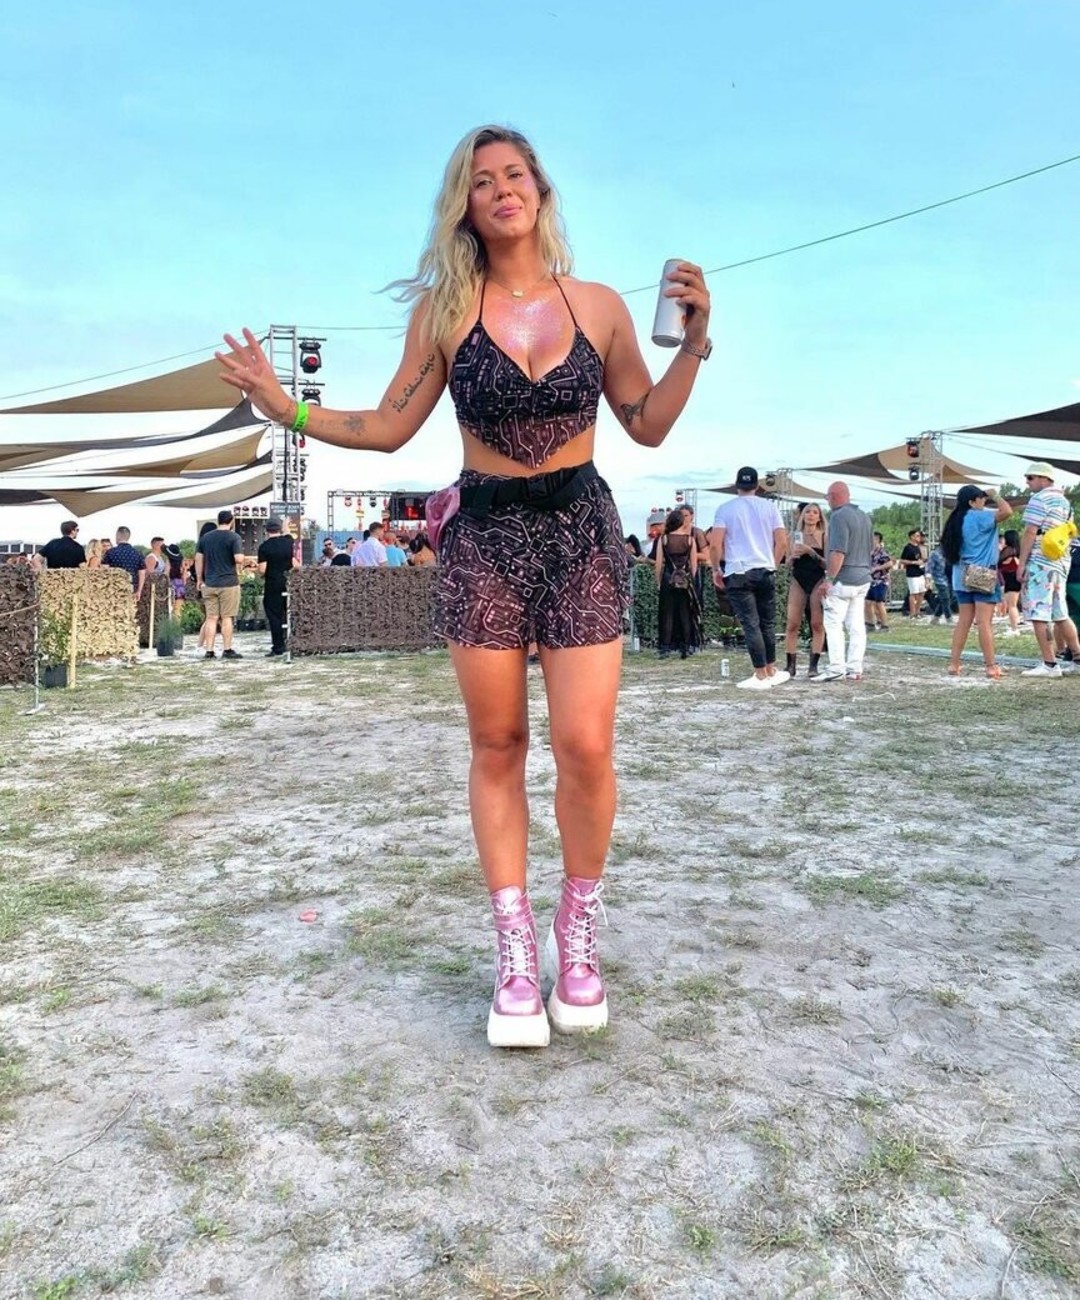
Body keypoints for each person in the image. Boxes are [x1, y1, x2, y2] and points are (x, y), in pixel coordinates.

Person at [216, 123, 710, 1048]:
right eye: (482, 181)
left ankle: (577, 929)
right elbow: (388, 427)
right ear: (466, 206)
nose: (502, 188)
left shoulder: (599, 305)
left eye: (515, 174)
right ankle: (515, 950)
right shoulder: (447, 312)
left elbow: (645, 423)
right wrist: (289, 409)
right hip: (484, 537)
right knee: (498, 743)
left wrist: (694, 347)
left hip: (580, 534)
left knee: (585, 746)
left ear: (541, 191)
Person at [710, 467, 788, 691]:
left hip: (738, 570)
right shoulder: (770, 507)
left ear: (737, 485)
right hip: (764, 568)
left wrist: (716, 569)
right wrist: (773, 563)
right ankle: (771, 669)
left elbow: (715, 544)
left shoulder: (725, 509)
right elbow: (782, 542)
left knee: (750, 623)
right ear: (757, 486)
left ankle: (760, 673)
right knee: (767, 622)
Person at [941, 485, 1012, 678]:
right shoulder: (980, 516)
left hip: (960, 575)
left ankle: (954, 664)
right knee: (984, 622)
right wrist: (995, 495)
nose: (984, 502)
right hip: (982, 575)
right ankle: (991, 666)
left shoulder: (955, 520)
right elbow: (1007, 511)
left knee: (963, 621)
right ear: (972, 502)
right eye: (981, 499)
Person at [1017, 461, 1080, 677]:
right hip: (1060, 561)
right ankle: (1078, 659)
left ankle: (1050, 663)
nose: (1027, 482)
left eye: (1031, 478)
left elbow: (1030, 532)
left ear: (1044, 479)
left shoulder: (1039, 499)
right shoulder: (1065, 503)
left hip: (1040, 560)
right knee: (1060, 613)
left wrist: (1022, 563)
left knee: (1038, 613)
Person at [811, 481, 872, 682]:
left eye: (827, 497)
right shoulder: (864, 516)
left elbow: (838, 552)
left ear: (833, 496)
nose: (827, 501)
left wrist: (828, 579)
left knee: (833, 623)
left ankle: (836, 667)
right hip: (863, 577)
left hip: (843, 579)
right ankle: (855, 668)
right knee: (856, 626)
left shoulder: (838, 517)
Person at [194, 510, 250, 660]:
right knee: (227, 617)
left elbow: (198, 558)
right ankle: (227, 649)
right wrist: (244, 557)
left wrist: (199, 579)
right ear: (231, 521)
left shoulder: (206, 538)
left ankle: (209, 651)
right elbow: (238, 559)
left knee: (211, 618)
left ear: (218, 520)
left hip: (210, 583)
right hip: (229, 583)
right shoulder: (234, 537)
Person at [783, 501, 827, 679]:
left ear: (819, 517)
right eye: (808, 512)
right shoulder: (793, 536)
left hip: (817, 579)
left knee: (817, 623)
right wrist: (792, 557)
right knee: (792, 623)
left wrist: (810, 552)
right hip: (798, 579)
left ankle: (813, 665)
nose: (811, 515)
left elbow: (827, 564)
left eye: (815, 512)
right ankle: (790, 665)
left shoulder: (824, 536)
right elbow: (787, 563)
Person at [654, 508, 698, 660]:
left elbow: (659, 563)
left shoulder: (664, 539)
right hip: (684, 580)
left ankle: (665, 648)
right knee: (685, 613)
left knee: (667, 613)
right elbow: (694, 565)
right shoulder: (690, 540)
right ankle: (686, 647)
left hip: (668, 578)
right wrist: (691, 581)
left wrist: (658, 580)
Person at [257, 517, 299, 657]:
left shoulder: (264, 547)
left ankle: (278, 646)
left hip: (273, 584)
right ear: (279, 529)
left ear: (266, 530)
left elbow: (262, 569)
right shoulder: (288, 543)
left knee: (274, 616)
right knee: (288, 613)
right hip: (288, 582)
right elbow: (288, 534)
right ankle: (293, 642)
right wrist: (286, 523)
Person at [102, 527, 146, 598]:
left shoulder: (110, 552)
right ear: (128, 536)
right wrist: (139, 591)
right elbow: (142, 573)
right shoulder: (138, 553)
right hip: (131, 589)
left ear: (118, 536)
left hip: (113, 591)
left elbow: (104, 571)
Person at [997, 528, 1023, 634]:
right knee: (1013, 604)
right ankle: (1015, 625)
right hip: (1015, 579)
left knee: (1012, 605)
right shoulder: (1018, 551)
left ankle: (1014, 628)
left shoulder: (1008, 551)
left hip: (1010, 580)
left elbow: (998, 562)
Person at [866, 532, 892, 631]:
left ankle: (885, 625)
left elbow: (889, 563)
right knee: (868, 602)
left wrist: (877, 568)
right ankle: (870, 623)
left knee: (879, 602)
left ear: (878, 540)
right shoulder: (868, 552)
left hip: (881, 580)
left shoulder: (882, 552)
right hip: (870, 580)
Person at [900, 528, 928, 619]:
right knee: (913, 593)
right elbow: (902, 560)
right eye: (917, 536)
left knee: (922, 592)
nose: (919, 537)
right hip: (912, 573)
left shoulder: (918, 547)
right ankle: (912, 613)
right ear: (912, 537)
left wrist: (922, 561)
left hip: (920, 572)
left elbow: (921, 558)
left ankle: (918, 611)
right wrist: (913, 562)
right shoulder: (907, 548)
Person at [926, 543, 954, 625]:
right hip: (940, 579)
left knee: (948, 598)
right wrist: (928, 581)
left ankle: (936, 617)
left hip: (950, 579)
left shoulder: (950, 553)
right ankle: (949, 618)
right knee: (945, 598)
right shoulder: (935, 553)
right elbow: (929, 567)